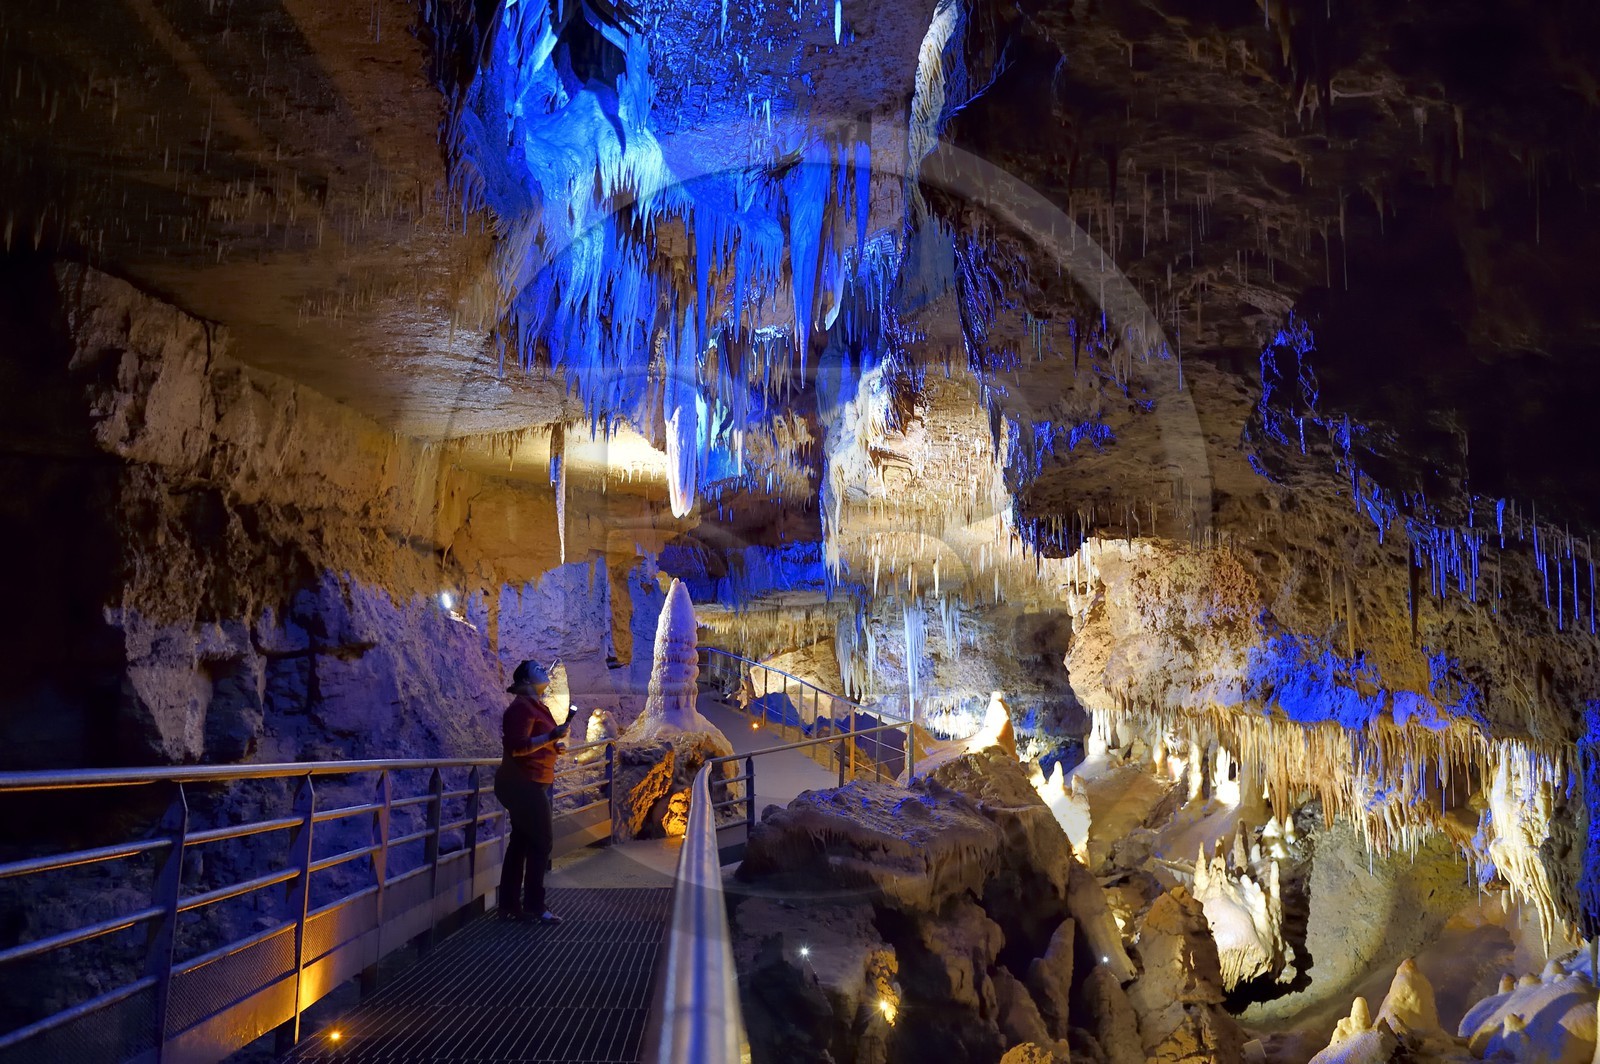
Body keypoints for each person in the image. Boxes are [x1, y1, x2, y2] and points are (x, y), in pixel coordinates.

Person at [494, 659, 569, 924]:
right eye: (537, 668)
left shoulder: (537, 706)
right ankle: (535, 906)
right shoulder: (520, 709)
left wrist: (552, 747)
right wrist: (550, 739)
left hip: (530, 781)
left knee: (522, 843)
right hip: (523, 783)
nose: (543, 671)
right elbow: (517, 747)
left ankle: (510, 906)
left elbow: (534, 743)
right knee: (541, 842)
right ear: (525, 681)